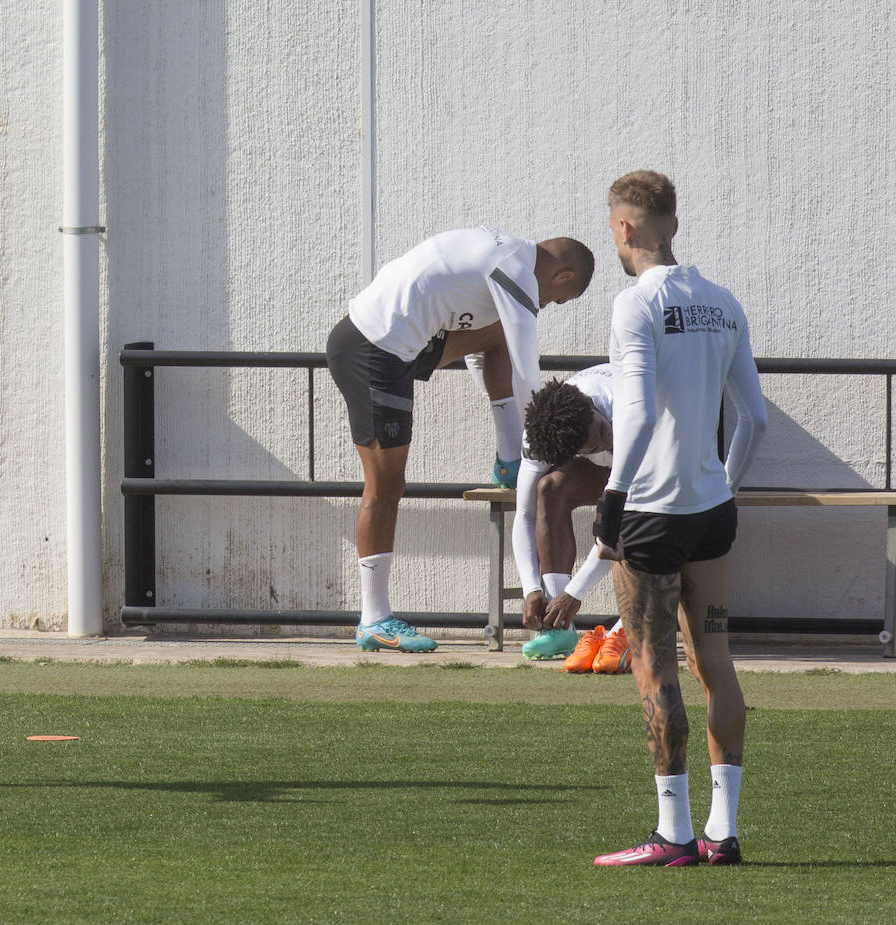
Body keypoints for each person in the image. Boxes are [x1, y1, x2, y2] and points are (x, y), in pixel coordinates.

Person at [589, 171, 767, 866]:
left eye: (613, 225)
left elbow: (630, 412)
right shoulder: (723, 302)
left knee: (654, 667)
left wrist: (612, 496)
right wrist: (723, 486)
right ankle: (722, 833)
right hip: (710, 511)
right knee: (716, 663)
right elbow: (751, 417)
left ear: (627, 228)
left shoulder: (635, 304)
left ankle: (673, 834)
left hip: (654, 514)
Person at [326, 227, 595, 652]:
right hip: (373, 349)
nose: (548, 306)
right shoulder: (516, 273)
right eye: (558, 300)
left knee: (499, 332)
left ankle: (507, 457)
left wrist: (514, 446)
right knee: (385, 487)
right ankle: (374, 619)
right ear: (562, 276)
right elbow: (527, 370)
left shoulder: (509, 254)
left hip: (401, 344)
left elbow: (482, 352)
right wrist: (540, 448)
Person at [514, 366, 631, 671]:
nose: (606, 441)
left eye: (602, 430)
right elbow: (525, 515)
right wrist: (532, 589)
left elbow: (621, 522)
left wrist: (575, 592)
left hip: (664, 456)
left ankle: (627, 630)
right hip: (609, 466)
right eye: (593, 447)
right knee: (549, 488)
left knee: (639, 513)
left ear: (590, 406)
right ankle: (559, 626)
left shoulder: (627, 406)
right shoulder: (541, 435)